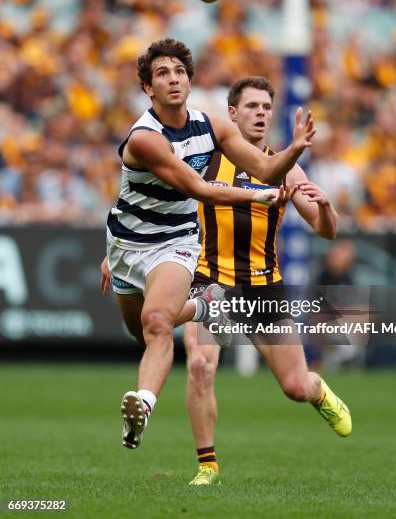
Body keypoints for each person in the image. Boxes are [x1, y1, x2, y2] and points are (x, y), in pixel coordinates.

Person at [104, 38, 315, 452]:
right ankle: (205, 305)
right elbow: (200, 188)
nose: (173, 79)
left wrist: (293, 151)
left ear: (189, 79)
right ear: (148, 88)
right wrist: (257, 196)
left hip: (177, 241)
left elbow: (268, 168)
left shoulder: (214, 125)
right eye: (162, 74)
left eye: (179, 72)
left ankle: (142, 406)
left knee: (158, 323)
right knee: (139, 331)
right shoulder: (145, 138)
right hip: (127, 244)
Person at [179, 76, 351, 486]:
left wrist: (325, 208)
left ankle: (319, 392)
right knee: (200, 364)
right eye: (252, 107)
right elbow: (160, 203)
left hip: (261, 287)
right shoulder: (204, 159)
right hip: (209, 281)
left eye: (266, 107)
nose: (260, 114)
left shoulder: (285, 167)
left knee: (294, 386)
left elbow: (326, 230)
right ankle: (207, 466)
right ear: (232, 114)